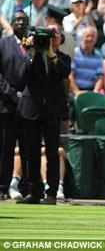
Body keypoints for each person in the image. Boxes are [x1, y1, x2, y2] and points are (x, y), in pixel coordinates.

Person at [16, 23, 70, 205]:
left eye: (55, 33)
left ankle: (52, 192)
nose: (52, 36)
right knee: (31, 151)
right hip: (32, 110)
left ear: (60, 38)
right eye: (49, 33)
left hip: (52, 111)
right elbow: (21, 78)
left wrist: (51, 54)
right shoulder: (32, 56)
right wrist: (30, 53)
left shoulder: (62, 57)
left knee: (52, 152)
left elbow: (65, 72)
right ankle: (33, 191)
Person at [0, 10, 28, 200]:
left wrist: (24, 96)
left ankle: (26, 187)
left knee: (28, 148)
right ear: (11, 23)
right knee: (5, 148)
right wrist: (11, 93)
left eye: (23, 20)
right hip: (6, 105)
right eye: (17, 19)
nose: (20, 23)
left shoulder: (33, 45)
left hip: (28, 106)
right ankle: (2, 187)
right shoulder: (3, 44)